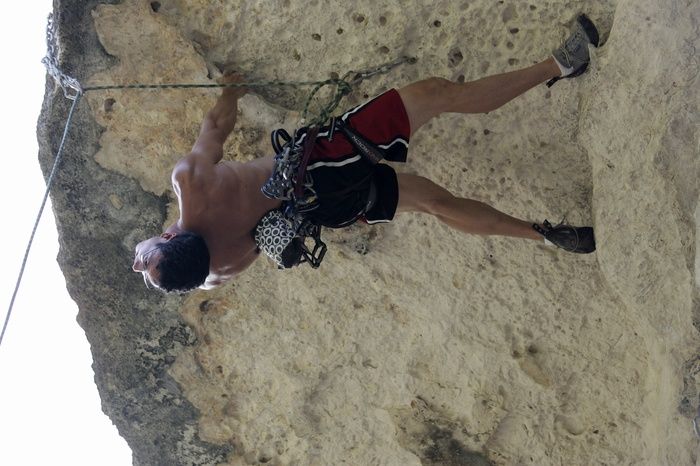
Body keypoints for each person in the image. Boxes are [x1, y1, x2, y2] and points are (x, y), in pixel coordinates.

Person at [132, 15, 599, 293]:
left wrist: (158, 264)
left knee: (434, 203)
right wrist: (232, 91)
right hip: (322, 164)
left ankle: (545, 236)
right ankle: (560, 64)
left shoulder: (222, 267)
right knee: (435, 95)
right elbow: (216, 126)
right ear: (169, 239)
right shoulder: (191, 186)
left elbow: (200, 270)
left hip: (332, 209)